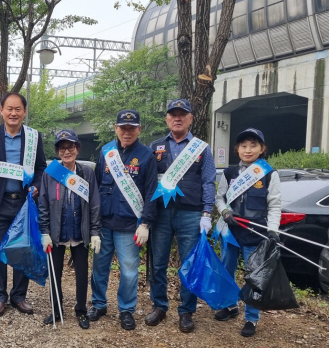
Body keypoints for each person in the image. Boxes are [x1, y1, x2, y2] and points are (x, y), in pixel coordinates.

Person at [0, 92, 47, 317]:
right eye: (9, 108)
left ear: (24, 112)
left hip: (24, 203)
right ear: (2, 111)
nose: (13, 113)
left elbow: (41, 168)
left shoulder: (34, 137)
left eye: (18, 109)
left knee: (22, 250)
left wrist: (36, 186)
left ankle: (18, 296)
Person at [147, 99, 217, 333]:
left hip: (191, 213)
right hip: (162, 214)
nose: (177, 118)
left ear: (191, 119)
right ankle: (159, 305)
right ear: (166, 119)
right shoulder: (155, 146)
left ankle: (186, 311)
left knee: (189, 264)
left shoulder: (201, 148)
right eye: (173, 114)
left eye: (182, 114)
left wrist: (207, 213)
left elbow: (208, 181)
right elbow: (147, 183)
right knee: (158, 263)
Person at [87, 110, 158, 331]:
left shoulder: (147, 155)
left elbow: (151, 193)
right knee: (99, 267)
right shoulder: (106, 152)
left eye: (131, 128)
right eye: (122, 128)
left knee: (129, 271)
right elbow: (96, 187)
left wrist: (145, 223)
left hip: (130, 225)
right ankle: (99, 304)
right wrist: (93, 224)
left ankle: (126, 310)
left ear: (139, 129)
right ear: (116, 129)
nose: (127, 132)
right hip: (105, 222)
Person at [215, 127, 281, 337]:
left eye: (253, 146)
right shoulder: (229, 172)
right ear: (237, 149)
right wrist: (225, 212)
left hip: (256, 233)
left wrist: (273, 231)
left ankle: (251, 318)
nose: (248, 150)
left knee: (253, 276)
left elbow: (275, 206)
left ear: (262, 149)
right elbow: (220, 198)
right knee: (227, 269)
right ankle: (230, 305)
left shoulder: (270, 174)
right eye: (244, 146)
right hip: (231, 232)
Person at [39, 130, 101, 329]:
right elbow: (43, 205)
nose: (67, 151)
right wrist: (45, 232)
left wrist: (94, 232)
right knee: (54, 272)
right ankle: (56, 309)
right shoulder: (50, 173)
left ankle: (81, 310)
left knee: (82, 273)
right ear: (57, 151)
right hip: (57, 232)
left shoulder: (87, 173)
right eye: (63, 148)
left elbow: (95, 204)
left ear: (77, 148)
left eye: (71, 147)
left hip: (80, 232)